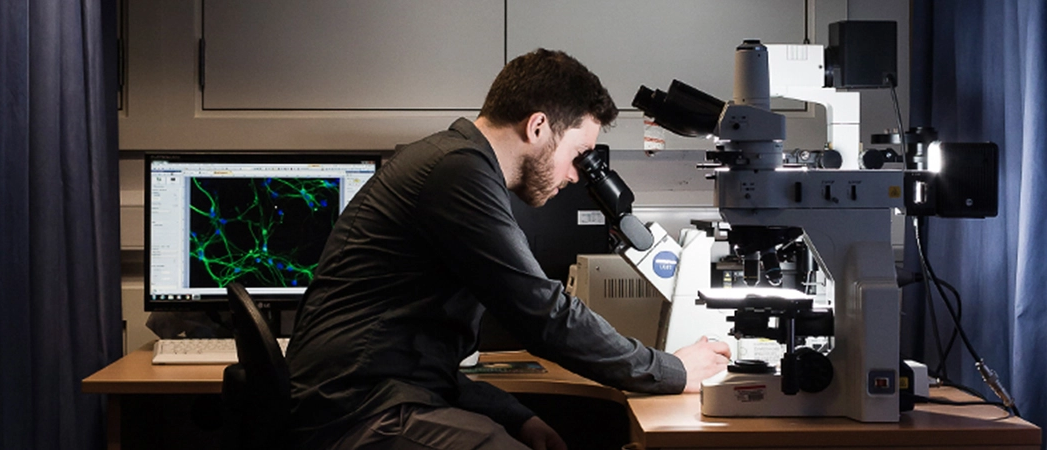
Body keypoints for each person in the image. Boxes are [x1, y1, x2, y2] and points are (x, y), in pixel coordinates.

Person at [286, 48, 731, 450]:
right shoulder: (458, 172)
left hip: (371, 399)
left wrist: (515, 415)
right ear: (538, 126)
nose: (576, 175)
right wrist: (672, 370)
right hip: (356, 415)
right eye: (579, 153)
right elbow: (543, 313)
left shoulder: (453, 161)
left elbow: (421, 364)